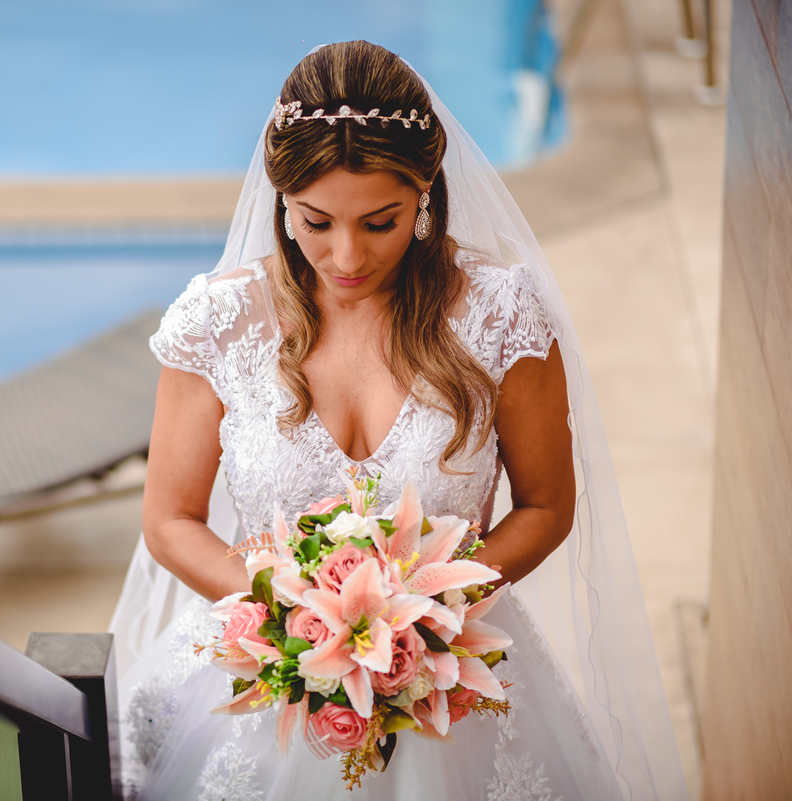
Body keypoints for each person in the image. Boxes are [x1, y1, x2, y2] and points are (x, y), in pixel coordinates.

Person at [109, 41, 687, 800]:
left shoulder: (501, 316)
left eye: (380, 222)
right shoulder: (215, 325)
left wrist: (432, 614)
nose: (345, 255)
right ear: (281, 200)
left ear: (424, 198)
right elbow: (171, 519)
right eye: (315, 221)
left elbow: (547, 504)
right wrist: (293, 612)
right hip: (268, 672)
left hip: (455, 668)